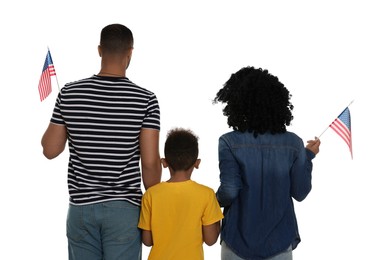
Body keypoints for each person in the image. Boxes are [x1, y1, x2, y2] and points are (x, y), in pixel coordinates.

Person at [41, 23, 162, 260]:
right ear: (130, 52)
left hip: (81, 208)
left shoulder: (69, 93)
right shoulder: (145, 99)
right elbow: (149, 163)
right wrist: (155, 201)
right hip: (124, 210)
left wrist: (64, 112)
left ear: (99, 50)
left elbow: (50, 149)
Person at [213, 66, 321, 260]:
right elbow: (300, 192)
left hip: (237, 241)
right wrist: (308, 157)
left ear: (236, 103)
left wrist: (210, 201)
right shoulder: (294, 144)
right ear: (277, 102)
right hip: (279, 242)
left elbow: (229, 191)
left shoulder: (228, 142)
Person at [138, 128, 224, 260]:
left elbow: (147, 241)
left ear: (164, 162)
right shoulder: (206, 194)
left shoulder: (151, 194)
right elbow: (211, 240)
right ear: (197, 163)